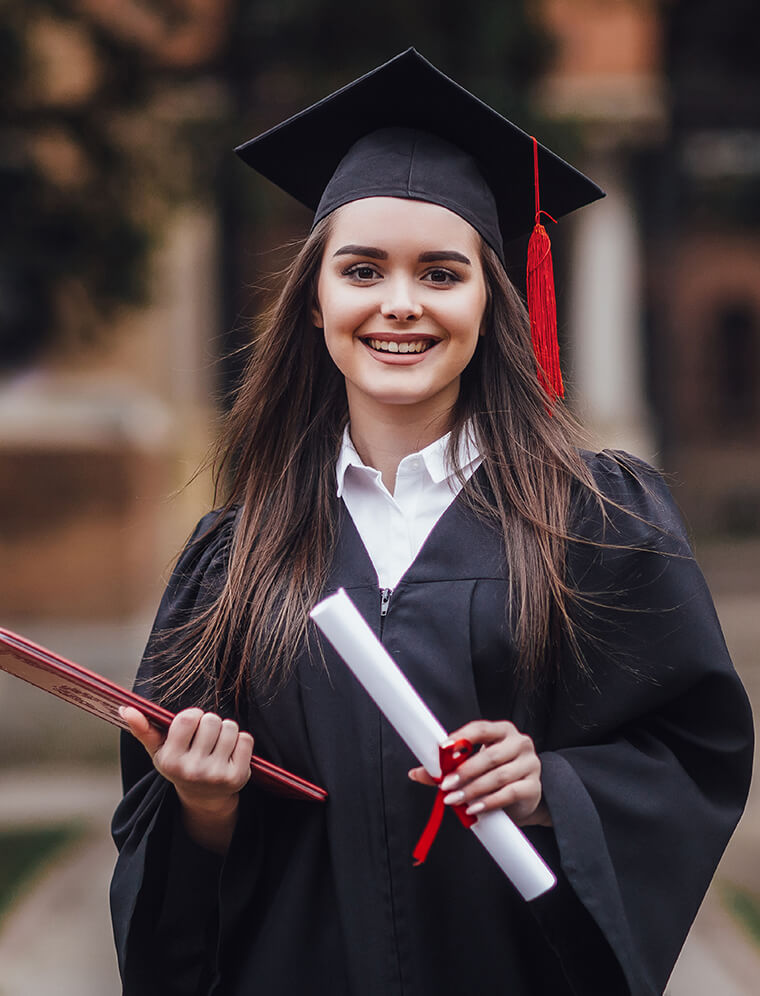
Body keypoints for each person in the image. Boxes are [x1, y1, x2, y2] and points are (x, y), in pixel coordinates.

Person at [110, 49, 753, 996]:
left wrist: (552, 790)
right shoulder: (238, 557)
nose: (399, 303)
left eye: (441, 273)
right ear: (318, 300)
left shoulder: (595, 523)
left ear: (492, 298)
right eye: (362, 269)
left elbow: (690, 754)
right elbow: (159, 849)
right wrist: (203, 809)